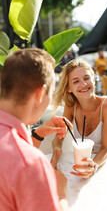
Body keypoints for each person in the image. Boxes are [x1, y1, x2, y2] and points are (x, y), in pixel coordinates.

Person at [0, 48, 72, 211]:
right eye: (51, 93)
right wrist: (60, 195)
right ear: (40, 94)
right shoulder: (31, 164)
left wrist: (37, 134)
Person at [51, 59, 107, 179]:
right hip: (83, 168)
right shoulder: (71, 107)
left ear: (93, 80)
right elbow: (59, 136)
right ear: (68, 88)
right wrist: (56, 151)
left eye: (86, 78)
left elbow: (106, 149)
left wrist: (92, 166)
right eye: (76, 81)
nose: (84, 84)